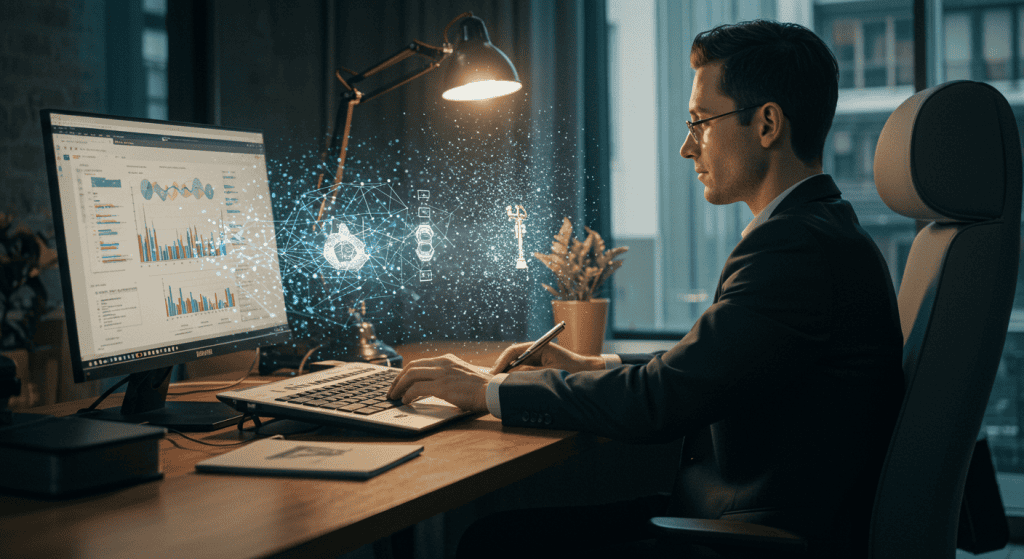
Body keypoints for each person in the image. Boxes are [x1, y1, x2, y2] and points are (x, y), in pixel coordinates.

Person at [388, 19, 904, 559]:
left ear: (767, 124)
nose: (687, 147)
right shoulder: (818, 231)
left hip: (755, 537)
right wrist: (589, 366)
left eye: (701, 121)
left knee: (494, 543)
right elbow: (715, 363)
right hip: (749, 516)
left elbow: (665, 399)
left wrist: (484, 391)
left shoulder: (795, 250)